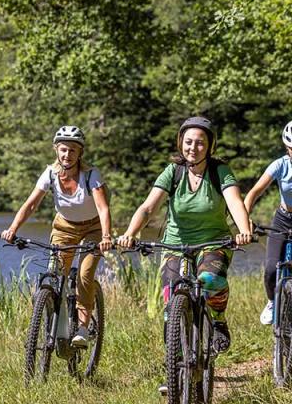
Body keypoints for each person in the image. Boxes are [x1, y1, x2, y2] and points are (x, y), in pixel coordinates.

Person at [118, 116, 252, 366]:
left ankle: (218, 319)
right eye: (188, 142)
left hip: (214, 243)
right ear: (181, 143)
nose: (193, 147)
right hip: (174, 244)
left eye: (200, 143)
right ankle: (175, 364)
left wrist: (243, 230)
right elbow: (148, 208)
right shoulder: (174, 172)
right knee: (171, 298)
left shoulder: (219, 171)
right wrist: (131, 233)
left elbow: (235, 202)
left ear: (210, 146)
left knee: (210, 279)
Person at [0, 125, 112, 347]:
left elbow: (103, 208)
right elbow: (31, 204)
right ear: (56, 150)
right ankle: (52, 312)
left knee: (84, 273)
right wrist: (13, 228)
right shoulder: (50, 173)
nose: (67, 154)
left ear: (80, 153)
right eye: (63, 149)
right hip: (64, 227)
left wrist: (106, 236)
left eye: (72, 150)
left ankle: (82, 328)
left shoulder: (91, 175)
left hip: (93, 228)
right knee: (54, 271)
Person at [244, 120, 292, 325]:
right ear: (287, 147)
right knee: (272, 268)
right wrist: (244, 221)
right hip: (282, 220)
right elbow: (253, 193)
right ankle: (273, 300)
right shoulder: (280, 165)